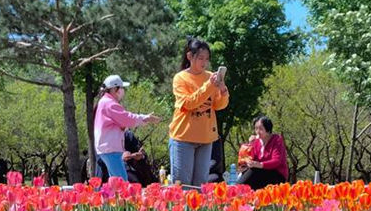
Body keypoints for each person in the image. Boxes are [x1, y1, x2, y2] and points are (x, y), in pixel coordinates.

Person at [168, 38, 229, 186]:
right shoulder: (180, 78)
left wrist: (222, 90)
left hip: (206, 138)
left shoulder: (209, 77)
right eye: (200, 58)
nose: (204, 62)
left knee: (200, 186)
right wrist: (208, 86)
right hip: (183, 138)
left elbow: (219, 105)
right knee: (183, 186)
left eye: (207, 59)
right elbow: (188, 103)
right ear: (189, 56)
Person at [94, 75, 161, 181]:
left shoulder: (104, 102)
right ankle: (117, 198)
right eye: (121, 88)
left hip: (106, 147)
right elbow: (127, 119)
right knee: (121, 181)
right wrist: (146, 118)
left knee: (115, 180)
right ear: (115, 89)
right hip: (110, 148)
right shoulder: (109, 103)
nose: (123, 90)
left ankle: (111, 198)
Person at [237, 116, 289, 190]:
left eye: (261, 129)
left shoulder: (276, 140)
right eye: (256, 128)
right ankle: (240, 192)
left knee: (254, 171)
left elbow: (276, 161)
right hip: (260, 173)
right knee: (247, 172)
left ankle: (238, 190)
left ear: (268, 130)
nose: (257, 131)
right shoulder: (256, 142)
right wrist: (250, 145)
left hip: (276, 174)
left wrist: (259, 164)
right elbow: (251, 158)